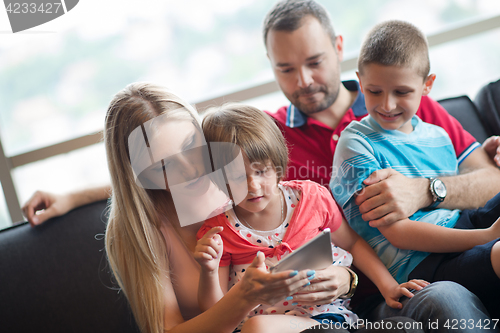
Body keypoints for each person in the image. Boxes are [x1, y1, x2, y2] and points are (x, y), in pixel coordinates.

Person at [21, 0, 496, 331]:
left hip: (362, 290)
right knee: (446, 300)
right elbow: (151, 172)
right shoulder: (257, 146)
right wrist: (75, 195)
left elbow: (488, 178)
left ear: (338, 47)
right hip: (320, 312)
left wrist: (428, 190)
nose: (304, 80)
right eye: (285, 69)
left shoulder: (395, 103)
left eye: (314, 60)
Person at [100, 82, 324, 333]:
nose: (190, 170)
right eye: (164, 166)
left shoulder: (241, 172)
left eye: (189, 146)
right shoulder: (141, 229)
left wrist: (349, 280)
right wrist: (242, 299)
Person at [194, 104, 428, 332]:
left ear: (277, 165)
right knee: (258, 327)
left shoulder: (310, 197)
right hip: (263, 327)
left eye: (261, 171)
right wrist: (209, 271)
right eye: (236, 177)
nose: (253, 186)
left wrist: (388, 287)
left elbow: (353, 243)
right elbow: (214, 311)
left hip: (326, 316)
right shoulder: (218, 229)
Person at [330, 19, 500, 318]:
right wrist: (486, 236)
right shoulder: (356, 143)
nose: (387, 104)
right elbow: (399, 234)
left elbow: (475, 191)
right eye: (374, 91)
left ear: (427, 85)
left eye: (402, 92)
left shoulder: (438, 135)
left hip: (462, 226)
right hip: (419, 264)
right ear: (359, 81)